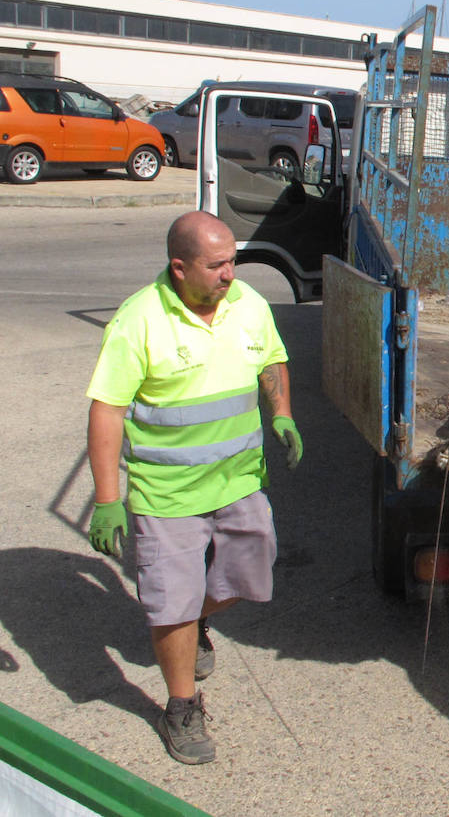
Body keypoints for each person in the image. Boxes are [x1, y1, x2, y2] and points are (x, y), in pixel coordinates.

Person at [85, 211, 304, 766]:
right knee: (171, 602)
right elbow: (107, 410)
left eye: (233, 261)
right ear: (179, 268)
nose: (230, 274)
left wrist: (281, 412)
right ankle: (181, 705)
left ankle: (194, 619)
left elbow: (271, 359)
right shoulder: (139, 321)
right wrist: (107, 498)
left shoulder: (248, 304)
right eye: (216, 265)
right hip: (167, 496)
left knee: (248, 577)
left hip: (239, 482)